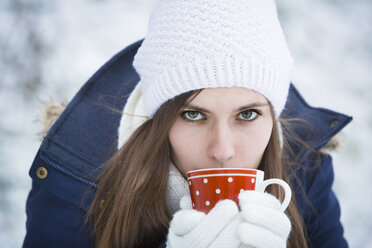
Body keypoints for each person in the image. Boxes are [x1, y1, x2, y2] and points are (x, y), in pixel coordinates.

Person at [23, 0, 352, 247]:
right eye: (194, 115)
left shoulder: (303, 170)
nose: (222, 151)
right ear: (159, 120)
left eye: (247, 115)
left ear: (272, 114)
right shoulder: (77, 179)